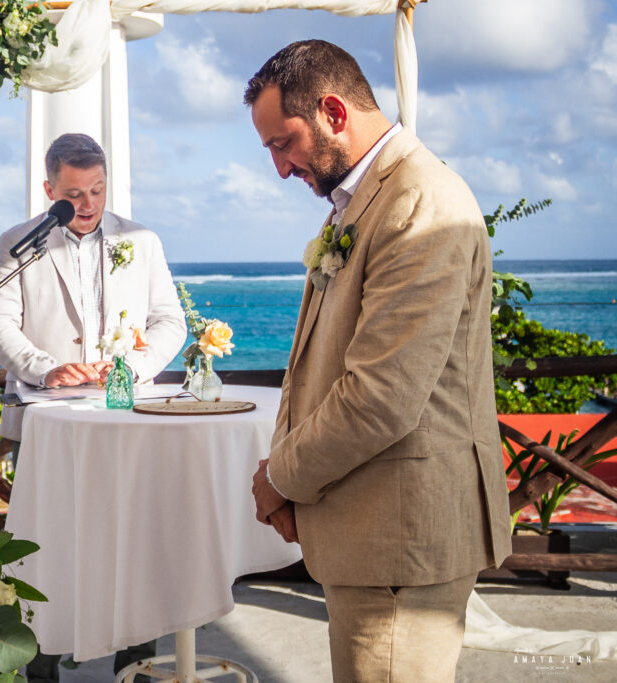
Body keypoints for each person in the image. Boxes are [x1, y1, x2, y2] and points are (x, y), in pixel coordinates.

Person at [245, 41, 512, 682]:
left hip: (400, 534)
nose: (281, 169)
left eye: (283, 143)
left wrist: (280, 477)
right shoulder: (368, 199)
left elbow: (381, 395)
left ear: (333, 111)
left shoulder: (419, 203)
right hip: (377, 526)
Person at [0, 133, 186, 681]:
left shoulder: (141, 240)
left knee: (135, 548)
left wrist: (133, 369)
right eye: (75, 193)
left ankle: (135, 667)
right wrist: (45, 367)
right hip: (47, 422)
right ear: (49, 189)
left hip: (125, 419)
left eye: (97, 189)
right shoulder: (18, 241)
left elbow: (170, 321)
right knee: (42, 548)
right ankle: (39, 664)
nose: (89, 204)